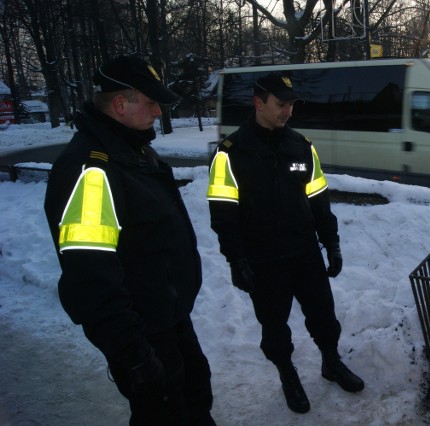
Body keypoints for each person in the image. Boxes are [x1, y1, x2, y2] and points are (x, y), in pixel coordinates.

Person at [43, 56, 216, 425]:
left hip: (169, 317)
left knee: (197, 394)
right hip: (141, 334)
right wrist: (133, 354)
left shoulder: (134, 149)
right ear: (120, 104)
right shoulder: (92, 170)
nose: (158, 110)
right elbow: (89, 278)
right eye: (150, 101)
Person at [206, 72, 364, 414]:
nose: (287, 111)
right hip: (262, 259)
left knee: (324, 315)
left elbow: (319, 199)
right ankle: (287, 373)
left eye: (291, 104)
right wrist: (237, 260)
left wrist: (331, 244)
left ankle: (330, 361)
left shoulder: (302, 146)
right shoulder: (230, 153)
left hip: (304, 252)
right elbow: (223, 215)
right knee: (274, 326)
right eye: (281, 104)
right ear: (258, 103)